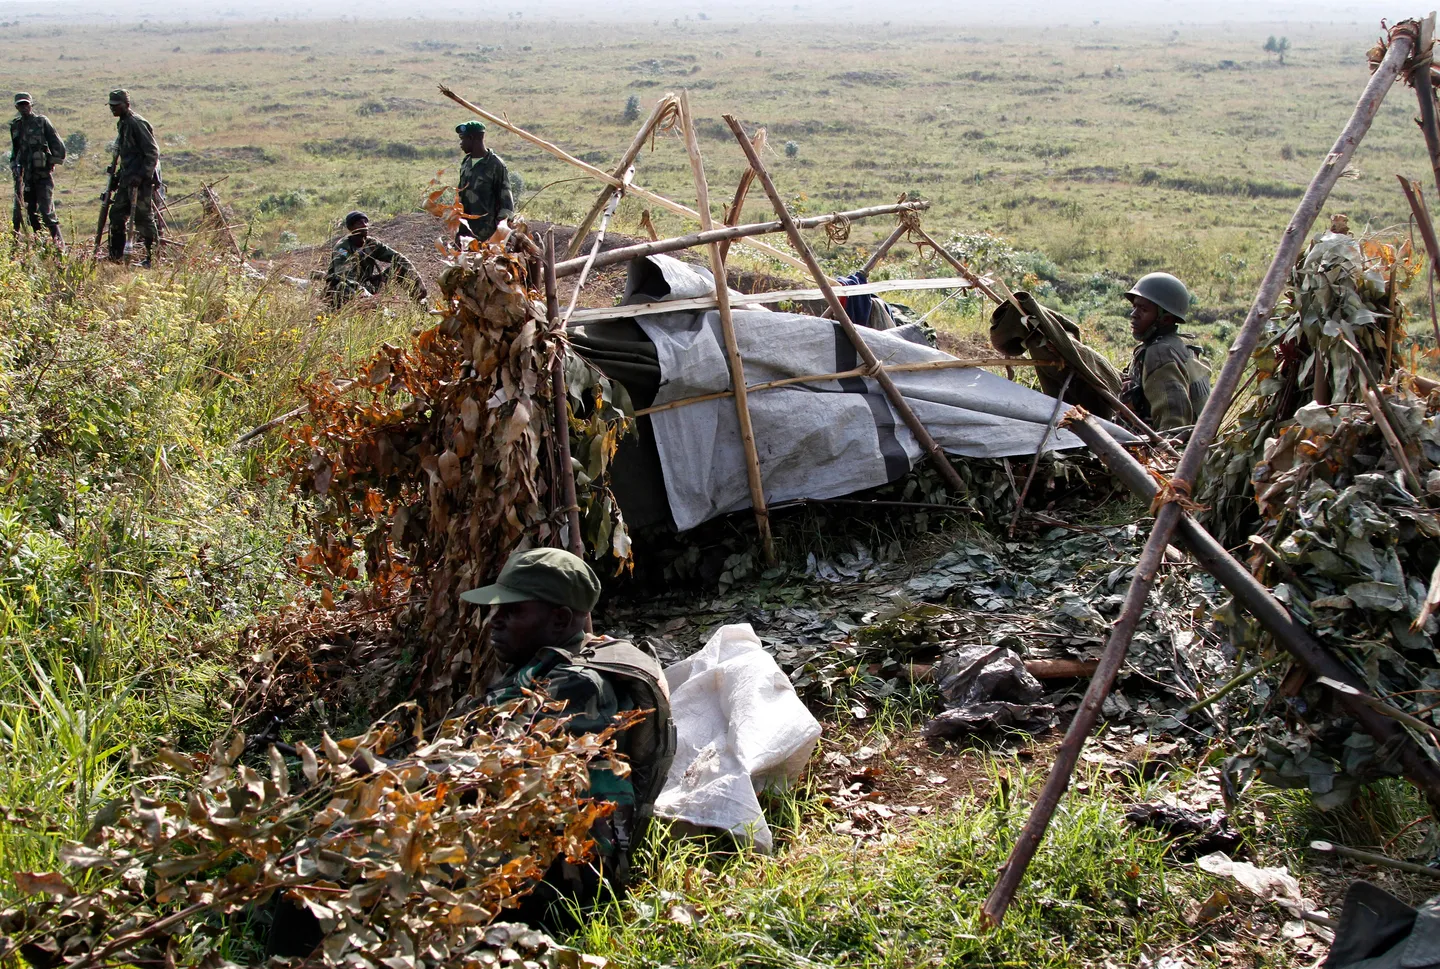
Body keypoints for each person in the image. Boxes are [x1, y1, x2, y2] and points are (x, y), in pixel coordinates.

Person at [459, 548, 674, 930]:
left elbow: (476, 768)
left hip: (564, 883)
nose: (495, 621)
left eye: (512, 611)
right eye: (497, 610)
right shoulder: (549, 663)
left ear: (559, 619)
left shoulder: (575, 685)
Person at [1120, 272, 1212, 431]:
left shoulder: (1160, 353)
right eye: (1134, 306)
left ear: (1166, 319)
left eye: (1143, 309)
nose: (1133, 315)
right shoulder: (1179, 345)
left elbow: (1174, 424)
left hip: (1163, 451)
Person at [323, 210, 426, 308]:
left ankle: (421, 305)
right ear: (351, 228)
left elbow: (398, 258)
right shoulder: (342, 248)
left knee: (400, 267)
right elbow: (345, 277)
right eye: (359, 223)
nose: (364, 225)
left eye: (365, 222)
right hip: (347, 289)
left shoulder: (371, 243)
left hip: (367, 285)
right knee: (342, 285)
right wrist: (367, 296)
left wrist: (418, 281)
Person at [106, 89, 159, 266]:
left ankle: (152, 259)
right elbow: (127, 155)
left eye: (116, 106)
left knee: (143, 218)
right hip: (126, 179)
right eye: (111, 106)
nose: (113, 109)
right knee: (116, 215)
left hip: (140, 181)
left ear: (126, 105)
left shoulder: (137, 123)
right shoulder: (122, 123)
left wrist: (143, 175)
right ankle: (116, 257)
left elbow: (152, 152)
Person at [9, 92, 66, 243]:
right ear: (16, 107)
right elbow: (15, 151)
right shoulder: (16, 126)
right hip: (26, 178)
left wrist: (51, 162)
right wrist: (14, 166)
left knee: (47, 213)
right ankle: (41, 245)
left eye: (26, 104)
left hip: (42, 176)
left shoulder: (41, 122)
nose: (23, 107)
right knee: (31, 213)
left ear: (31, 105)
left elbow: (58, 146)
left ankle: (60, 247)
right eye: (20, 105)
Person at [455, 120, 514, 244]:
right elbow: (460, 195)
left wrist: (499, 235)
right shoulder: (466, 163)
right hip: (464, 236)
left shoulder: (495, 165)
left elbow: (506, 205)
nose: (461, 144)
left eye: (463, 139)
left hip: (486, 236)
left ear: (472, 138)